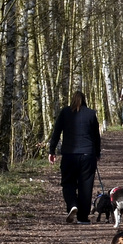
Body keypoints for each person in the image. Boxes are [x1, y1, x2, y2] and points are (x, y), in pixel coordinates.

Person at [48, 90, 101, 222]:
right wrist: (97, 153)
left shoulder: (65, 112)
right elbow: (96, 136)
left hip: (69, 154)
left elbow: (56, 132)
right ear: (84, 100)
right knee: (86, 186)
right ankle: (83, 217)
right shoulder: (91, 114)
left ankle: (72, 204)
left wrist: (52, 150)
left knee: (68, 183)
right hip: (88, 154)